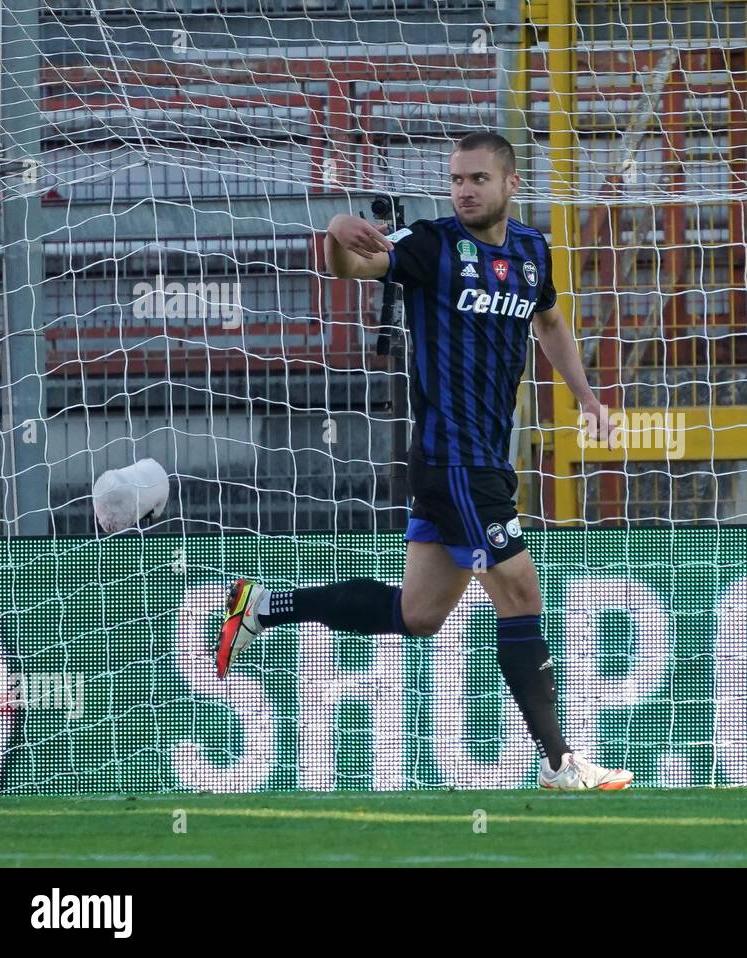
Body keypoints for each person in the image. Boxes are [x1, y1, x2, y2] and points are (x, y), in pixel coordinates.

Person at [216, 131, 632, 791]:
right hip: (452, 459)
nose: (464, 190)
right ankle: (559, 762)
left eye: (477, 179)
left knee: (419, 614)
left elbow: (548, 322)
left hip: (484, 459)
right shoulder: (433, 245)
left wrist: (586, 398)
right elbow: (352, 269)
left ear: (509, 184)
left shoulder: (531, 251)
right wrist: (335, 233)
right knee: (520, 590)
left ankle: (265, 605)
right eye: (456, 180)